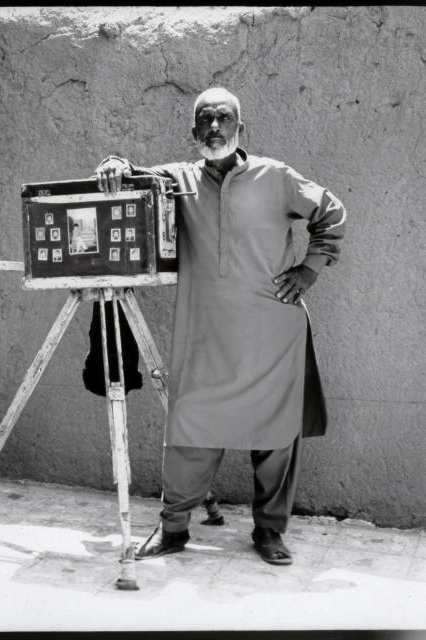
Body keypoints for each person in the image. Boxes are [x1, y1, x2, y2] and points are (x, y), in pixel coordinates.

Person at [95, 87, 345, 565]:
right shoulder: (178, 179)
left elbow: (330, 213)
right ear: (193, 133)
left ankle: (270, 532)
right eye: (205, 121)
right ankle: (173, 530)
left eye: (224, 119)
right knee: (189, 428)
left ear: (240, 129)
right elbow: (130, 178)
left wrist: (309, 268)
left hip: (272, 335)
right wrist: (113, 161)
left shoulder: (277, 177)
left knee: (274, 440)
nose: (214, 128)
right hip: (205, 336)